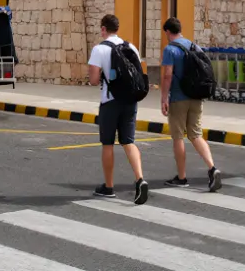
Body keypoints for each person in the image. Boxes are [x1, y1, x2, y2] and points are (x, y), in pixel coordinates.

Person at [87, 14, 148, 204]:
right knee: (129, 141)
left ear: (103, 29)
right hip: (130, 100)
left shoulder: (99, 49)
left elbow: (93, 80)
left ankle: (109, 187)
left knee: (107, 144)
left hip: (110, 102)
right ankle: (140, 179)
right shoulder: (131, 47)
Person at [159, 18, 222, 192]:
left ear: (167, 32)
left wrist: (164, 98)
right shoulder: (194, 46)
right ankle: (212, 168)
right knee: (196, 134)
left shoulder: (170, 49)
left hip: (178, 98)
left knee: (178, 137)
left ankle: (181, 177)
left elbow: (167, 76)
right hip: (196, 96)